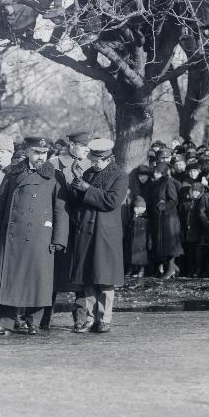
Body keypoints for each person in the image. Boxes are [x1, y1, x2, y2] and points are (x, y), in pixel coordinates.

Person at [0, 137, 70, 336]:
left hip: (41, 237)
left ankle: (33, 322)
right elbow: (0, 203)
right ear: (28, 152)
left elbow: (61, 210)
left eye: (44, 153)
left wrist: (59, 239)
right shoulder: (14, 173)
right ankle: (4, 322)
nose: (40, 157)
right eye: (36, 152)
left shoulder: (56, 176)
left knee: (37, 280)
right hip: (13, 236)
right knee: (9, 279)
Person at [67, 138, 126, 333]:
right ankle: (90, 319)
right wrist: (76, 185)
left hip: (105, 234)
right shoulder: (89, 173)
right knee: (89, 277)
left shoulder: (119, 176)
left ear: (108, 159)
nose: (94, 163)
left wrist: (86, 188)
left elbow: (112, 201)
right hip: (87, 232)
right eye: (92, 160)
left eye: (97, 160)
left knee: (105, 278)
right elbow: (78, 201)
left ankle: (104, 319)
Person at [42, 130, 93, 330]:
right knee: (52, 272)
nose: (87, 150)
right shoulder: (53, 164)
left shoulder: (91, 165)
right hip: (57, 225)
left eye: (88, 147)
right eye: (83, 146)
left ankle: (80, 318)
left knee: (81, 274)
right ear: (71, 145)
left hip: (81, 226)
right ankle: (43, 317)